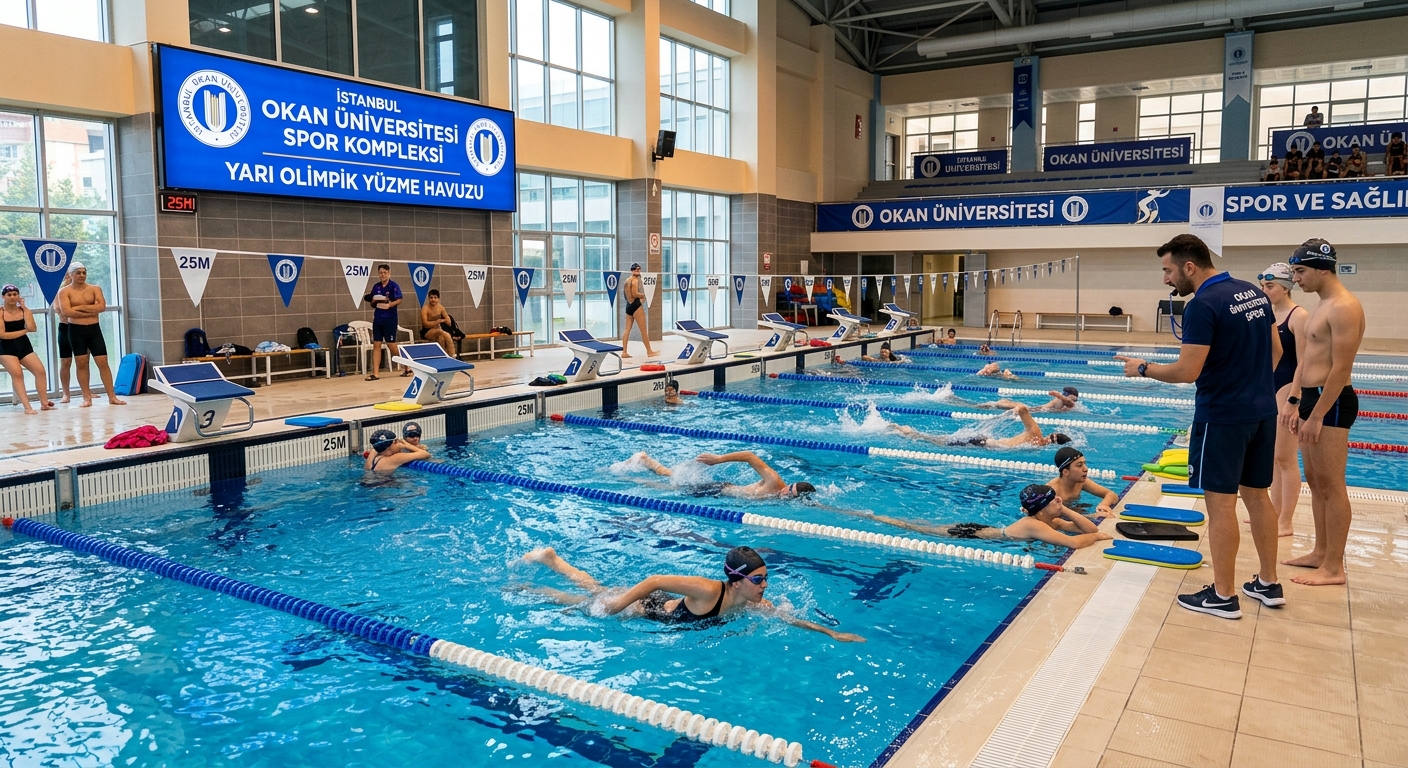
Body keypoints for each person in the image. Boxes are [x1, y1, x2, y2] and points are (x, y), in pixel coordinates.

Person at [1115, 234, 1284, 620]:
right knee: (1258, 496)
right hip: (1261, 411)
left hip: (1222, 416)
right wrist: (1251, 387)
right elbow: (1276, 352)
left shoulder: (1203, 304)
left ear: (1189, 267)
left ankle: (1224, 595)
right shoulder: (1252, 292)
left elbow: (1186, 371)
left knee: (1220, 504)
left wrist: (1142, 368)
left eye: (1168, 270)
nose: (1166, 279)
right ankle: (1268, 582)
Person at [517, 545, 865, 642]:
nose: (765, 586)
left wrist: (831, 633)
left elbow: (789, 619)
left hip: (659, 616)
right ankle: (528, 586)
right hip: (643, 608)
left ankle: (552, 560)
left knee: (594, 589)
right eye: (759, 580)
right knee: (588, 601)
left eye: (765, 579)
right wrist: (616, 608)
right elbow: (654, 580)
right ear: (738, 580)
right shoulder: (707, 590)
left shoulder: (752, 602)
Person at [1281, 240, 1365, 586]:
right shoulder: (1320, 305)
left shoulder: (1345, 307)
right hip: (1312, 400)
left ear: (1322, 269)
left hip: (1331, 403)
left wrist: (1317, 416)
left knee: (1332, 485)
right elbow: (1307, 360)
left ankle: (1335, 567)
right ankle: (1319, 552)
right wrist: (1294, 400)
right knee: (1315, 483)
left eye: (1300, 271)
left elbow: (1341, 369)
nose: (1296, 279)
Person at [855, 484, 1110, 550]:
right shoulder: (1034, 525)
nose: (1059, 501)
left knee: (922, 526)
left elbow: (1085, 529)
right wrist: (1097, 538)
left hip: (983, 529)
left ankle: (879, 517)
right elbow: (1078, 540)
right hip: (972, 533)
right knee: (916, 528)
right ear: (1041, 508)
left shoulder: (1048, 519)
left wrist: (1064, 509)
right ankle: (875, 517)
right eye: (1054, 500)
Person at [1257, 263, 1307, 537]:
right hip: (1269, 390)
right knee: (1273, 458)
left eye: (1270, 286)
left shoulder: (1298, 317)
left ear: (1286, 287)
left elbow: (1304, 362)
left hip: (1288, 390)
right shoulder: (1269, 315)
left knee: (1285, 458)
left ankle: (1285, 521)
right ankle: (1272, 514)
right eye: (1264, 286)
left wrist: (1294, 399)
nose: (1265, 291)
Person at [56, 262, 124, 407]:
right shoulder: (64, 292)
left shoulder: (94, 289)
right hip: (75, 331)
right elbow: (67, 312)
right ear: (71, 275)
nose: (82, 275)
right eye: (78, 273)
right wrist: (91, 309)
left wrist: (79, 307)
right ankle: (87, 398)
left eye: (84, 272)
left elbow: (101, 307)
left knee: (103, 363)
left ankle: (112, 397)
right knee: (81, 363)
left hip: (94, 330)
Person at [631, 451, 816, 499]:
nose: (784, 492)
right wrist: (719, 459)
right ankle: (638, 479)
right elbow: (750, 456)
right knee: (672, 488)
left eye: (789, 495)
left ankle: (646, 460)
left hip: (721, 492)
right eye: (788, 489)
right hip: (718, 490)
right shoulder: (775, 481)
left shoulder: (779, 499)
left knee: (672, 477)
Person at [892, 402, 1071, 448]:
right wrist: (1018, 409)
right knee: (934, 441)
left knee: (936, 440)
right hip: (983, 443)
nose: (1048, 440)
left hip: (985, 443)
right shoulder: (1035, 437)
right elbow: (1024, 409)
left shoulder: (1036, 441)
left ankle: (907, 431)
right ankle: (905, 431)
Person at [1, 285, 55, 414]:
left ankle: (44, 403)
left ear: (19, 296)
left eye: (15, 294)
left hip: (23, 346)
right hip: (4, 348)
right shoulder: (1, 312)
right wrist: (24, 331)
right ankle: (27, 407)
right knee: (18, 374)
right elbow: (3, 335)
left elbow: (33, 327)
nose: (13, 297)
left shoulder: (24, 311)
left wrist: (24, 307)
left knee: (40, 371)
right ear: (3, 297)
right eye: (9, 295)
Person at [365, 264, 407, 381]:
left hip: (390, 319)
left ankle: (407, 367)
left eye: (384, 272)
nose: (382, 275)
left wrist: (389, 305)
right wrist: (373, 301)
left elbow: (399, 299)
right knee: (376, 344)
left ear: (389, 273)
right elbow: (372, 303)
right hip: (378, 319)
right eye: (380, 273)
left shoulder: (393, 286)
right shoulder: (376, 287)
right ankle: (376, 373)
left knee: (391, 345)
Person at [1048, 447, 1117, 517]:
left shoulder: (1080, 482)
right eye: (1079, 465)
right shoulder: (1052, 492)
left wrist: (1103, 505)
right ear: (1066, 472)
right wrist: (1093, 516)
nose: (1086, 469)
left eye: (1084, 464)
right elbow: (1053, 521)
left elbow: (1112, 495)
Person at [621, 263, 656, 359]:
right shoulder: (635, 280)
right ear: (632, 270)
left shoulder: (626, 280)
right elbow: (634, 293)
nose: (638, 271)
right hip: (636, 305)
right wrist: (642, 295)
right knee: (644, 330)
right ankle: (649, 351)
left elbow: (625, 294)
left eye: (639, 269)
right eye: (636, 270)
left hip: (628, 305)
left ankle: (624, 352)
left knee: (627, 329)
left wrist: (632, 300)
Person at [363, 429, 430, 473]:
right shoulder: (395, 458)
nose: (398, 443)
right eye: (396, 441)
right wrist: (407, 445)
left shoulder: (372, 457)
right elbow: (426, 454)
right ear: (389, 447)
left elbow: (377, 446)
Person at [419, 289, 456, 357]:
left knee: (441, 338)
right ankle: (452, 356)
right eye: (431, 298)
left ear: (438, 299)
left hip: (437, 330)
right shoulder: (425, 309)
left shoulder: (441, 308)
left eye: (435, 298)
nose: (433, 299)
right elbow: (426, 324)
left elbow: (449, 322)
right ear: (428, 298)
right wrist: (437, 322)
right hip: (427, 332)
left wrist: (443, 320)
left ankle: (442, 357)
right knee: (444, 334)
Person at [55, 271, 74, 403]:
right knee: (65, 362)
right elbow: (60, 311)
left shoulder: (82, 290)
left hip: (80, 327)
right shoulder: (59, 292)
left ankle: (87, 390)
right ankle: (66, 393)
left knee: (83, 361)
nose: (68, 277)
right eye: (66, 275)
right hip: (65, 327)